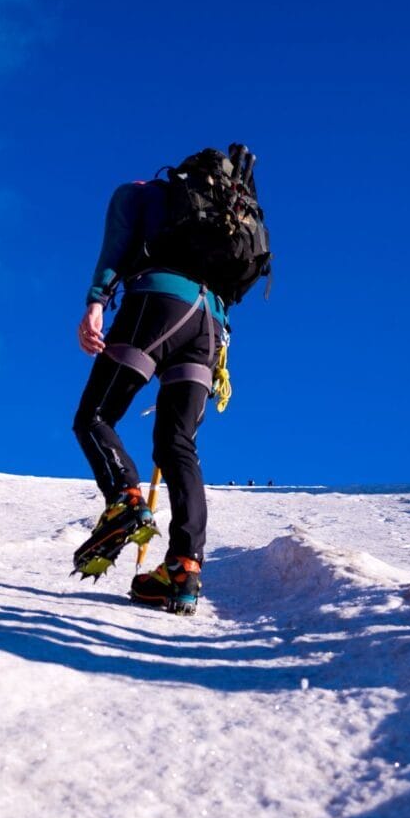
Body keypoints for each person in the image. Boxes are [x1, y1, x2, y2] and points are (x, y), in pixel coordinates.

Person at [71, 145, 269, 615]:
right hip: (210, 325)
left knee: (95, 416)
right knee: (177, 445)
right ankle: (183, 570)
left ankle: (124, 498)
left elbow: (115, 248)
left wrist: (96, 302)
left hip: (157, 303)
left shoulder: (140, 193)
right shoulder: (230, 216)